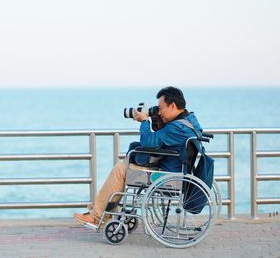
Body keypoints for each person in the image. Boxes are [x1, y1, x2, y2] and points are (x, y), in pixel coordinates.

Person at [73, 86, 203, 225]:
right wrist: (155, 120)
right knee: (125, 165)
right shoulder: (189, 120)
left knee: (121, 169)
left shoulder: (177, 127)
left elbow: (148, 142)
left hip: (167, 177)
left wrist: (144, 121)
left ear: (172, 106)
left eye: (160, 108)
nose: (159, 112)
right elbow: (162, 138)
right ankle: (102, 208)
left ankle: (98, 216)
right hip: (176, 171)